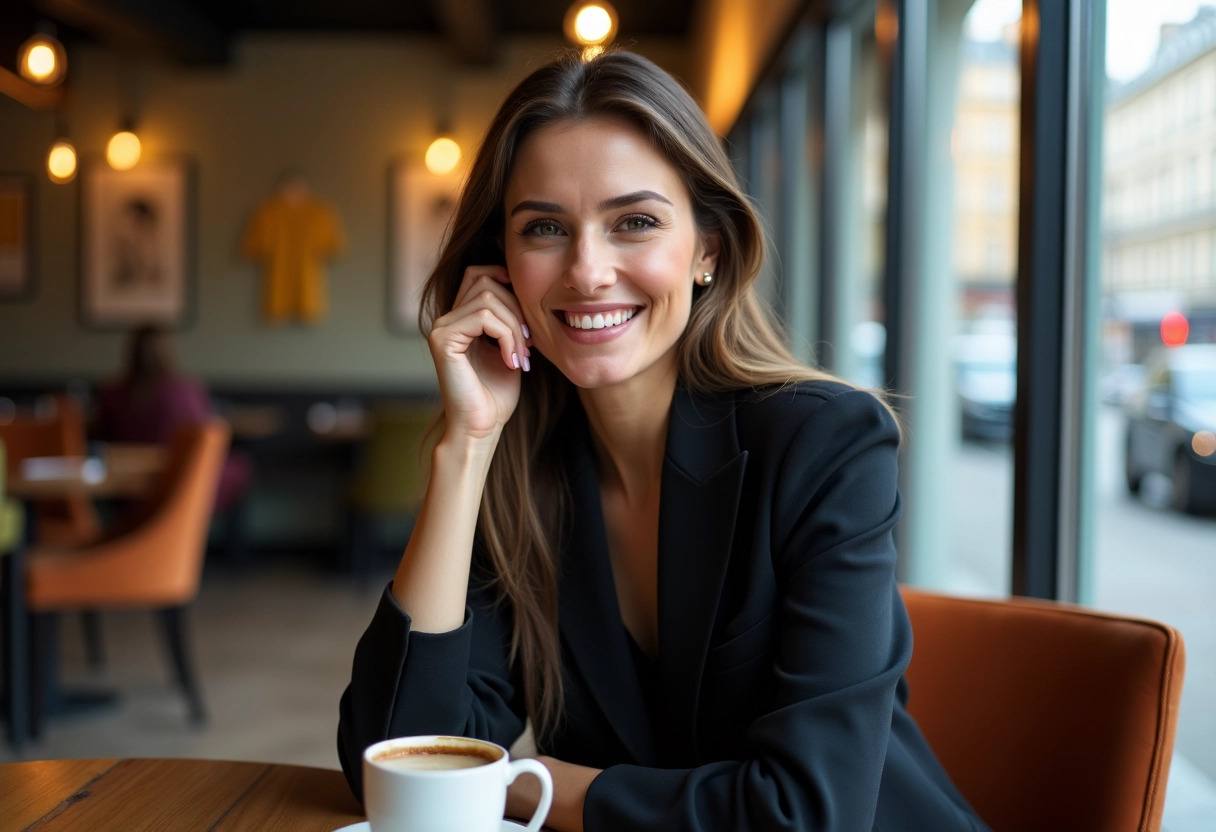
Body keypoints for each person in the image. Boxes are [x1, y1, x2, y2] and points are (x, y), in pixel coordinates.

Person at [338, 50, 991, 832]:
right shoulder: (518, 466)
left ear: (708, 249)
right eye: (544, 228)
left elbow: (808, 815)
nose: (586, 271)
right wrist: (466, 450)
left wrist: (547, 786)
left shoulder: (825, 444)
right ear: (502, 266)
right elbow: (396, 763)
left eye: (635, 223)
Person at [95, 325, 251, 517]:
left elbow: (101, 437)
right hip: (177, 483)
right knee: (241, 466)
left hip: (124, 485)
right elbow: (201, 436)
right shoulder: (185, 392)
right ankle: (230, 546)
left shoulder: (111, 393)